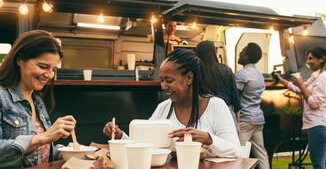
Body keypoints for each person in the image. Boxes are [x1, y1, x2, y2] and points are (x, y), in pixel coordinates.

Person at [0, 30, 80, 169]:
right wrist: (42, 137)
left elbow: (37, 154)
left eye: (53, 69)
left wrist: (63, 150)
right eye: (43, 66)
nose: (49, 75)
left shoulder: (36, 100)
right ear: (19, 59)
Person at [103, 48, 241, 158]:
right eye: (162, 80)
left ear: (188, 78)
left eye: (169, 81)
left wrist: (208, 139)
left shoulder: (216, 106)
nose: (163, 86)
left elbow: (236, 151)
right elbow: (142, 144)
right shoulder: (163, 108)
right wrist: (120, 136)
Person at [235, 42, 274, 169]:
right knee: (262, 154)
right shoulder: (259, 75)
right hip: (258, 118)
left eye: (242, 51)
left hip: (244, 120)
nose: (239, 54)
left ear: (247, 56)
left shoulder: (242, 74)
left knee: (239, 154)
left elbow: (235, 98)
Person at [195, 40, 242, 133]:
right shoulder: (226, 70)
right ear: (214, 52)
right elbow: (236, 100)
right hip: (227, 113)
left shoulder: (196, 71)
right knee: (228, 145)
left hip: (204, 113)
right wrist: (237, 124)